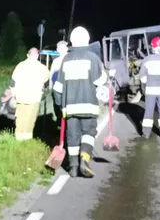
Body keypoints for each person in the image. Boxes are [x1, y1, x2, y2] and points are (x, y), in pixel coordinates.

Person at [54, 26, 106, 178]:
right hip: (88, 105)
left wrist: (60, 105)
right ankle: (84, 158)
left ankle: (73, 167)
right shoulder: (92, 57)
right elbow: (99, 81)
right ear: (87, 39)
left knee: (72, 136)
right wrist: (106, 75)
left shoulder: (66, 59)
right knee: (89, 133)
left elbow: (58, 87)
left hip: (69, 107)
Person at [8, 47, 51, 141]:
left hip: (21, 97)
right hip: (34, 98)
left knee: (20, 118)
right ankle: (27, 139)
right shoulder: (42, 68)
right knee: (30, 120)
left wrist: (14, 93)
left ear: (28, 55)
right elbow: (47, 83)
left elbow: (12, 82)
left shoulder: (20, 66)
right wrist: (44, 91)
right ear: (37, 56)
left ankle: (18, 138)